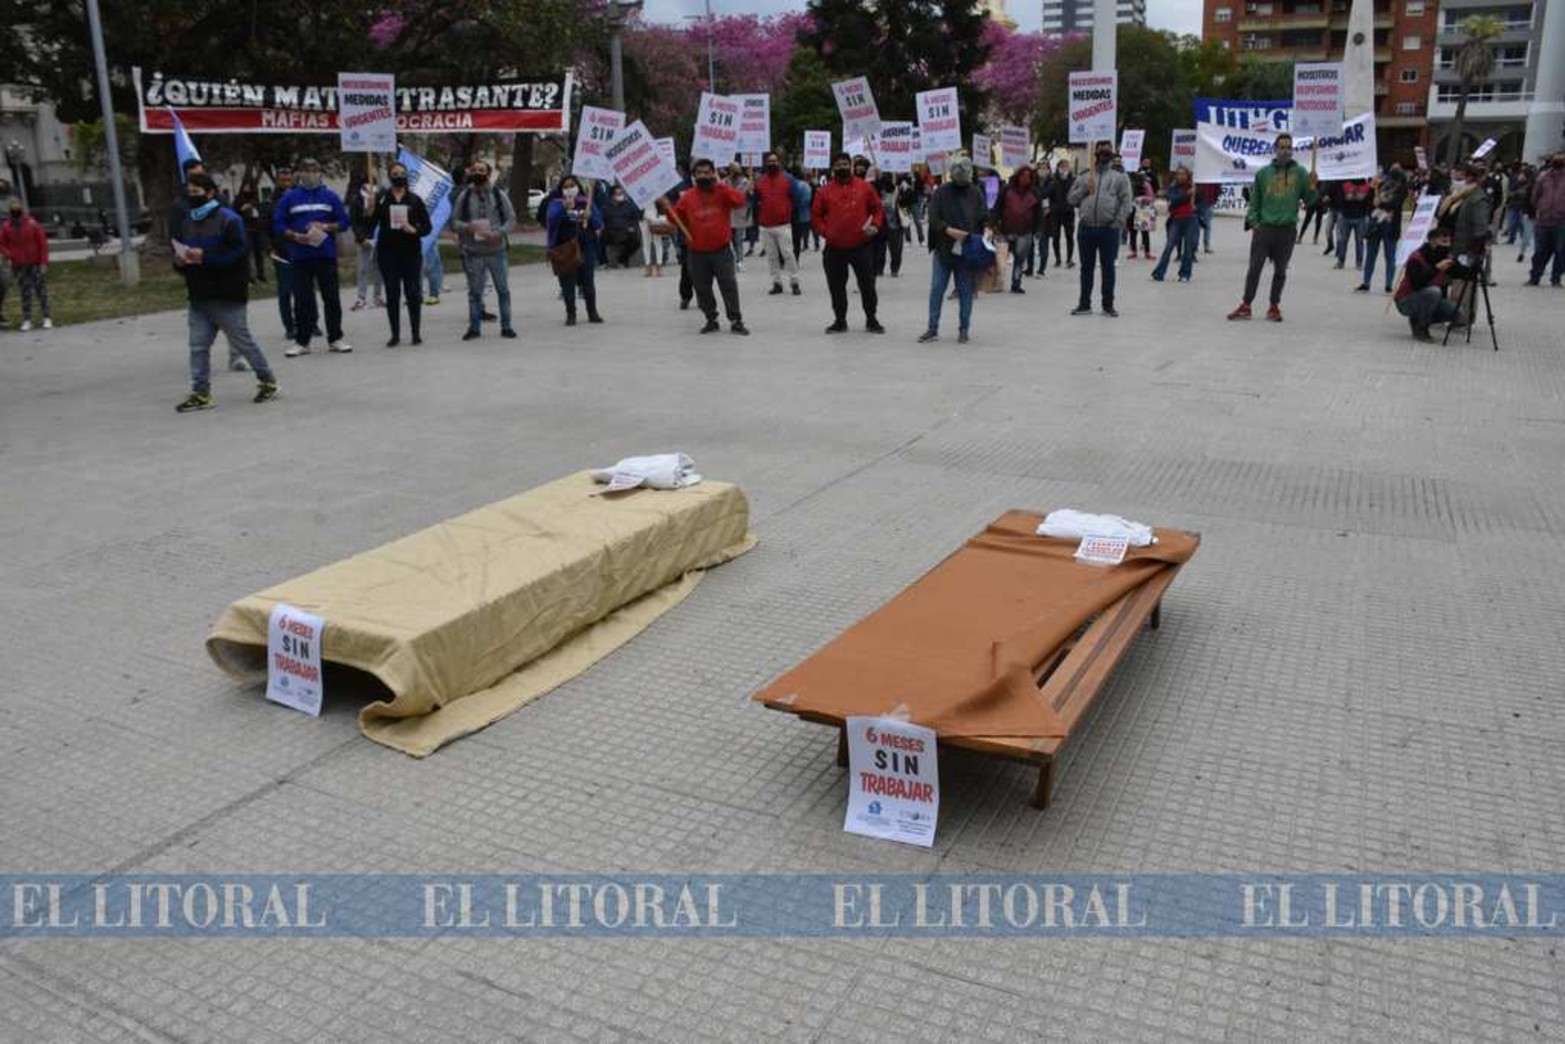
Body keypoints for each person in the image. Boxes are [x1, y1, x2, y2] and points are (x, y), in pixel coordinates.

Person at [171, 173, 278, 412]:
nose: (192, 197)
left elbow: (238, 255)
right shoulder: (187, 222)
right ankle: (201, 393)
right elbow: (181, 251)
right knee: (197, 346)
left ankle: (267, 381)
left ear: (210, 193)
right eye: (189, 193)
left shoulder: (229, 220)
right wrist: (179, 262)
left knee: (243, 342)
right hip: (199, 296)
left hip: (227, 295)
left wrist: (205, 257)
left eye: (197, 193)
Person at [1227, 132, 1317, 322]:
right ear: (1275, 149)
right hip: (1264, 229)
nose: (1285, 151)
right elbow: (1254, 203)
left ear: (1292, 150)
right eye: (1282, 147)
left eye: (1288, 147)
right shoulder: (1263, 173)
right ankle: (1246, 305)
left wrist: (1312, 186)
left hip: (1287, 230)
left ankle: (1274, 306)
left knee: (1280, 271)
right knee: (1254, 269)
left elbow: (1309, 201)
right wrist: (1255, 223)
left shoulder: (1300, 173)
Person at [271, 157, 352, 356]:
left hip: (325, 255)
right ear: (299, 173)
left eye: (314, 170)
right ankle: (302, 341)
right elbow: (278, 224)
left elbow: (343, 222)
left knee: (331, 298)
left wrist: (326, 226)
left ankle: (335, 338)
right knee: (302, 300)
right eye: (306, 170)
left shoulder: (330, 196)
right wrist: (293, 235)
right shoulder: (289, 197)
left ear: (320, 172)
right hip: (300, 257)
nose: (311, 173)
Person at [666, 157, 750, 335]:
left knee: (728, 286)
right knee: (702, 288)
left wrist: (722, 185)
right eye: (699, 173)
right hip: (697, 253)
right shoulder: (687, 197)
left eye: (706, 172)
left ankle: (736, 320)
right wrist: (666, 207)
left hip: (722, 251)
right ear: (694, 176)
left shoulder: (722, 191)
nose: (703, 176)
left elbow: (739, 201)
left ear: (713, 173)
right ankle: (711, 319)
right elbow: (675, 219)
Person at [811, 151, 885, 335]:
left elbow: (877, 209)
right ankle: (840, 320)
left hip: (861, 246)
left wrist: (875, 225)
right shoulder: (824, 191)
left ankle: (871, 319)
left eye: (845, 164)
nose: (842, 167)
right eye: (838, 164)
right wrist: (825, 231)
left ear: (850, 166)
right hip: (834, 248)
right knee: (836, 287)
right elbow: (816, 215)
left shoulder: (865, 188)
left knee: (867, 285)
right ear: (833, 168)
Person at [364, 159, 433, 347]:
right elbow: (370, 225)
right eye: (395, 174)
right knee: (393, 293)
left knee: (413, 292)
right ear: (389, 177)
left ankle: (415, 333)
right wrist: (369, 209)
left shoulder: (415, 200)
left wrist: (415, 230)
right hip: (388, 253)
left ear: (407, 176)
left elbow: (427, 227)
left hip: (411, 253)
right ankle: (395, 334)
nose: (399, 177)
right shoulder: (382, 198)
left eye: (402, 174)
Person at [918, 156, 986, 345]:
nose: (961, 176)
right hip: (943, 248)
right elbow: (933, 217)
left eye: (964, 173)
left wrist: (987, 230)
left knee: (965, 291)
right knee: (937, 289)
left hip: (967, 251)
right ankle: (932, 328)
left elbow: (983, 216)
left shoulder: (975, 193)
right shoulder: (941, 192)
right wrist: (947, 229)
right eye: (958, 172)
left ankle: (964, 329)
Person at [450, 158, 517, 341]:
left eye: (482, 170)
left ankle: (506, 326)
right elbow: (454, 222)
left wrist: (498, 233)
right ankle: (474, 328)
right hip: (473, 252)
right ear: (470, 173)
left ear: (488, 174)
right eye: (475, 170)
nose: (478, 173)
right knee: (475, 293)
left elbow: (511, 219)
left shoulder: (498, 194)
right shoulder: (464, 197)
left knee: (503, 290)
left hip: (497, 251)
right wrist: (467, 228)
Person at [1068, 141, 1133, 317]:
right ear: (1095, 154)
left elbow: (1126, 203)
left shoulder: (1119, 177)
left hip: (1108, 229)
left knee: (1108, 268)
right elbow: (1071, 200)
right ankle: (1084, 304)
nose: (1103, 156)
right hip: (1086, 229)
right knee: (1086, 269)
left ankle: (1108, 305)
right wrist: (1083, 189)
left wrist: (1117, 222)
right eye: (1100, 153)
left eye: (1107, 153)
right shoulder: (1084, 175)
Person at [1394, 224, 1472, 342]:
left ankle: (1417, 319)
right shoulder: (1417, 257)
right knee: (1433, 291)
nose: (1447, 245)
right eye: (1443, 241)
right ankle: (1421, 328)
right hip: (1406, 300)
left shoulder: (1445, 256)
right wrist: (1437, 268)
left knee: (1458, 313)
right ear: (1432, 241)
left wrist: (1475, 264)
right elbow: (1417, 284)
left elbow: (1462, 273)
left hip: (1429, 299)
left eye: (1449, 241)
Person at [545, 174, 604, 326]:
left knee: (588, 281)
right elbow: (550, 220)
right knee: (567, 282)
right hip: (565, 248)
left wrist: (590, 217)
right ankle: (571, 313)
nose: (569, 189)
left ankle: (592, 312)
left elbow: (598, 224)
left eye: (572, 186)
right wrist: (564, 208)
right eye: (565, 187)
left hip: (585, 246)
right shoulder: (556, 203)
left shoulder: (586, 202)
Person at [1440, 162, 1493, 316]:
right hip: (1452, 245)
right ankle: (1452, 313)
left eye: (1460, 176)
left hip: (1467, 248)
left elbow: (1480, 227)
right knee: (1453, 282)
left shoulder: (1477, 199)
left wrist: (1476, 249)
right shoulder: (1457, 197)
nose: (1456, 179)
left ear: (1469, 178)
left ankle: (1463, 316)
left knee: (1465, 284)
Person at [753, 152, 801, 296]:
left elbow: (796, 199)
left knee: (788, 254)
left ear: (779, 162)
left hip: (783, 225)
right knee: (772, 256)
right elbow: (755, 203)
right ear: (765, 163)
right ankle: (777, 283)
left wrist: (791, 216)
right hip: (766, 226)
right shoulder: (760, 181)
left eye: (774, 161)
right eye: (769, 161)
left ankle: (794, 282)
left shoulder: (788, 179)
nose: (772, 163)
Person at [1, 198, 51, 331]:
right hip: (19, 264)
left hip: (34, 262)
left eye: (17, 208)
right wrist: (9, 254)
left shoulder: (32, 224)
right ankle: (27, 319)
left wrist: (43, 262)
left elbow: (42, 244)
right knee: (25, 291)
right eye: (13, 209)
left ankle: (46, 317)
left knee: (41, 290)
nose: (15, 211)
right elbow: (2, 243)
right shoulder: (7, 226)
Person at [1357, 166, 1408, 294]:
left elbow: (1395, 204)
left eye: (1396, 181)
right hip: (1375, 224)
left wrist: (1379, 203)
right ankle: (1366, 282)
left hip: (1391, 225)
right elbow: (1369, 202)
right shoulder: (1380, 186)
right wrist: (1372, 189)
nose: (1394, 183)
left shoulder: (1402, 190)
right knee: (1370, 254)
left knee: (1390, 256)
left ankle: (1388, 284)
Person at [993, 164, 1041, 293]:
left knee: (1019, 259)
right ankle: (997, 283)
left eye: (1028, 176)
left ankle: (1016, 283)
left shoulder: (1034, 192)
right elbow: (997, 207)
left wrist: (1038, 229)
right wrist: (994, 225)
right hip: (1006, 230)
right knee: (1000, 258)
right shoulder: (1006, 189)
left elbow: (1038, 213)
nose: (1025, 178)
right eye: (1023, 175)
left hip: (1025, 232)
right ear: (1017, 176)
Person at [264, 166, 298, 341]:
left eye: (288, 179)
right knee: (285, 292)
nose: (286, 182)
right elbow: (264, 228)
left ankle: (310, 323)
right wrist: (269, 249)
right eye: (282, 179)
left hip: (301, 251)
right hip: (281, 253)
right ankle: (290, 327)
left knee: (304, 291)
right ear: (277, 180)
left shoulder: (300, 197)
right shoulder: (270, 202)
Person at [1151, 166, 1199, 283]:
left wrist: (1195, 196)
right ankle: (1159, 273)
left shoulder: (1193, 186)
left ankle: (1185, 274)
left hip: (1190, 219)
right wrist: (1187, 195)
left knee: (1188, 248)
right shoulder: (1173, 188)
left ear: (1187, 175)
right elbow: (1174, 200)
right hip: (1177, 220)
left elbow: (1201, 202)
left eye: (1183, 174)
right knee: (1169, 246)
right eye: (1178, 174)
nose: (1180, 176)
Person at [347, 173, 386, 312]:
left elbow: (383, 217)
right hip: (363, 239)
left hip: (377, 238)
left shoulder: (380, 197)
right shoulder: (357, 199)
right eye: (368, 183)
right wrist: (361, 238)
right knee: (362, 269)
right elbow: (354, 221)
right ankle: (361, 298)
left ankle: (378, 296)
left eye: (373, 183)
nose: (371, 187)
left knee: (378, 268)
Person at [1526, 151, 1565, 287]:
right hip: (1543, 219)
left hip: (1561, 220)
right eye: (1557, 159)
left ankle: (1556, 278)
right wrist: (1540, 208)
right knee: (1540, 251)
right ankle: (1535, 276)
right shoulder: (1543, 177)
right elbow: (1535, 196)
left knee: (1561, 251)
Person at [234, 182, 269, 284]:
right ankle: (250, 276)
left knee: (259, 254)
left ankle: (261, 274)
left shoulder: (255, 199)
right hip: (246, 230)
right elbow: (237, 211)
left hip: (257, 229)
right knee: (249, 255)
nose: (248, 189)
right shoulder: (239, 200)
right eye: (246, 187)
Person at [1335, 176, 1372, 270]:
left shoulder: (1367, 186)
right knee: (1343, 240)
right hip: (1346, 216)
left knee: (1359, 241)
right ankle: (1341, 261)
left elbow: (1369, 202)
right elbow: (1339, 200)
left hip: (1361, 216)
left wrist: (1363, 199)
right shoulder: (1345, 185)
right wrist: (1346, 198)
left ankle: (1359, 263)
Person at [1045, 159, 1076, 268]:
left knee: (1070, 236)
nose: (1064, 169)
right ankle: (1058, 258)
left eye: (1066, 166)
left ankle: (1069, 259)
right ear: (1058, 168)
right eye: (1062, 166)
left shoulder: (1072, 179)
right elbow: (1047, 194)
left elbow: (1075, 193)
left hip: (1068, 212)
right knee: (1056, 236)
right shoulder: (1053, 180)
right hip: (1056, 212)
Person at [600, 186, 641, 268]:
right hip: (611, 232)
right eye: (618, 194)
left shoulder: (628, 206)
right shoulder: (606, 207)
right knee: (600, 238)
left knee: (636, 241)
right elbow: (603, 220)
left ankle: (622, 259)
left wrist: (632, 227)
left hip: (627, 231)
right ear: (612, 196)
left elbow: (634, 219)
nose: (620, 196)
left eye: (621, 193)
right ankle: (603, 262)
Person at [873, 172, 904, 279]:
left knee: (895, 250)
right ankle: (879, 269)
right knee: (880, 249)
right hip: (881, 224)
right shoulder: (876, 190)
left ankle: (893, 269)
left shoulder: (899, 190)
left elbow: (907, 202)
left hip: (894, 224)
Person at [726, 163, 752, 270]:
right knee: (728, 240)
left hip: (740, 215)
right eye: (733, 169)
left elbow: (740, 195)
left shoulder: (746, 182)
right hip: (727, 215)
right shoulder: (724, 181)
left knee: (738, 240)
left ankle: (740, 261)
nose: (736, 171)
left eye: (737, 169)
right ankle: (731, 260)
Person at [789, 165, 814, 262]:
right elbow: (808, 200)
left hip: (793, 214)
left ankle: (788, 259)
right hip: (803, 215)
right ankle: (796, 258)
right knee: (797, 239)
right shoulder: (806, 185)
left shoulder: (791, 184)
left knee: (789, 239)